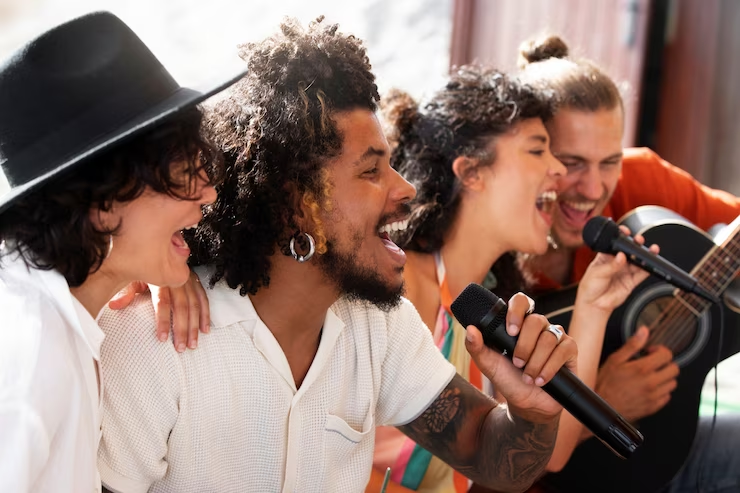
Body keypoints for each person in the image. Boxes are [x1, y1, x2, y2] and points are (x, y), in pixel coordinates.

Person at [97, 18, 579, 493]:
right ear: (295, 204)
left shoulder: (377, 324)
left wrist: (531, 412)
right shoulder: (152, 340)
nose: (404, 189)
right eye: (371, 171)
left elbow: (491, 455)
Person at [367, 68, 651, 493]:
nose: (558, 169)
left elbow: (550, 453)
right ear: (473, 173)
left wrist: (594, 305)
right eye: (539, 151)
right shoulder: (403, 292)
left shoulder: (493, 305)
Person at [0, 11, 243, 492]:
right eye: (185, 169)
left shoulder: (58, 321)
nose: (209, 192)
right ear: (103, 202)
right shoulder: (30, 356)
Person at [516, 34, 740, 492]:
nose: (594, 188)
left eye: (610, 161)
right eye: (572, 162)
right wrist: (601, 400)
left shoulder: (642, 181)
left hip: (670, 441)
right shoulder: (499, 257)